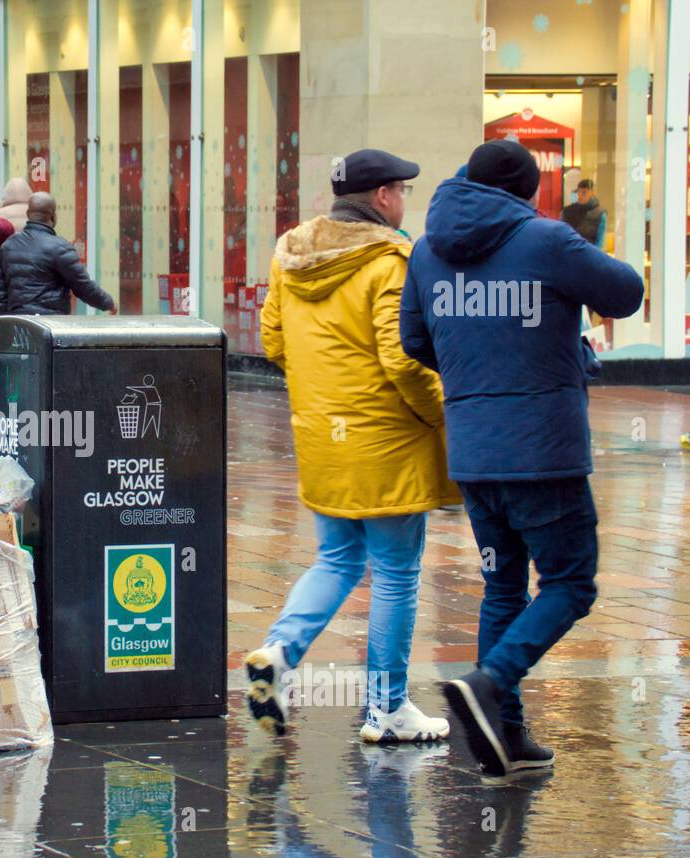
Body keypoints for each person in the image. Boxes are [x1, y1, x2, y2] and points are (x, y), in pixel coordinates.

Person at [400, 139, 645, 775]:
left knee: (502, 585)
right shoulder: (546, 240)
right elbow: (626, 292)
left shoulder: (427, 251)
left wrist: (476, 374)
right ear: (526, 192)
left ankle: (502, 735)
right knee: (569, 581)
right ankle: (491, 682)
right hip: (544, 452)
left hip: (474, 452)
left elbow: (414, 339)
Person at [245, 148, 459, 744]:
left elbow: (271, 341)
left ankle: (279, 654)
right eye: (402, 193)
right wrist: (444, 411)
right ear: (384, 196)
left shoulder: (292, 254)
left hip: (322, 437)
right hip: (387, 439)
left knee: (338, 557)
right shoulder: (391, 260)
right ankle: (387, 708)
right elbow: (402, 358)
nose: (404, 203)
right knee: (395, 572)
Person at [0, 192, 115, 315]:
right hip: (50, 323)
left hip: (17, 322)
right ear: (54, 217)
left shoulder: (8, 246)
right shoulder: (61, 248)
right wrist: (109, 303)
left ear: (27, 215)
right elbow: (83, 286)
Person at [561, 178, 607, 248]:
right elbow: (561, 234)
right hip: (569, 252)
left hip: (589, 253)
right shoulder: (567, 211)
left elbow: (599, 240)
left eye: (584, 192)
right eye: (578, 192)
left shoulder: (600, 214)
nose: (580, 195)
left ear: (592, 193)